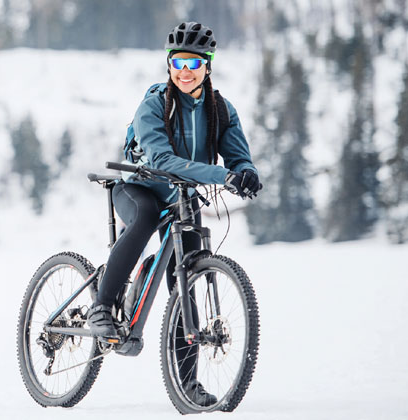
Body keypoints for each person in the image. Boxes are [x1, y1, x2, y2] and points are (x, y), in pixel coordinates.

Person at [86, 22, 261, 405]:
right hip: (139, 188)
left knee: (187, 285)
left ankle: (189, 386)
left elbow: (238, 156)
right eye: (178, 62)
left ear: (208, 67)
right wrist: (222, 175)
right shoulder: (154, 104)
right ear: (168, 65)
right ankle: (101, 307)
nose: (185, 70)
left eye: (193, 63)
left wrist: (246, 173)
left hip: (183, 198)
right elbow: (162, 159)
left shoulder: (221, 110)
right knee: (145, 219)